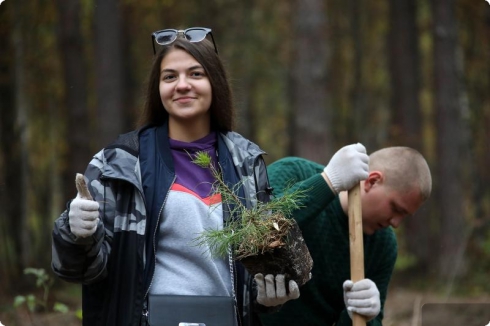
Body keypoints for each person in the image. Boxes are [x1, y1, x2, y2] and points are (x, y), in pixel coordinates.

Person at [51, 27, 299, 326]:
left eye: (196, 74)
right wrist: (76, 234)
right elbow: (78, 271)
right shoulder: (120, 163)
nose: (182, 85)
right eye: (170, 77)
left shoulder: (246, 163)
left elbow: (259, 269)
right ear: (158, 89)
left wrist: (267, 297)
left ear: (215, 83)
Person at [259, 144, 432, 326]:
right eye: (395, 209)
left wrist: (365, 316)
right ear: (372, 181)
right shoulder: (294, 172)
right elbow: (256, 231)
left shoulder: (383, 245)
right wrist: (328, 183)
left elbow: (370, 321)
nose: (396, 223)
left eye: (404, 216)